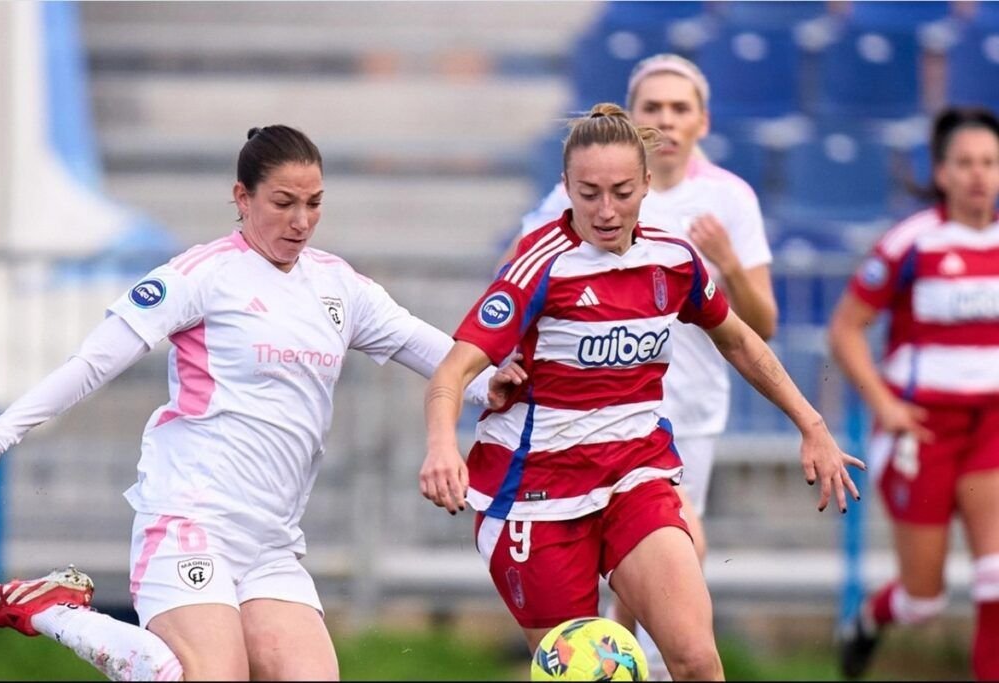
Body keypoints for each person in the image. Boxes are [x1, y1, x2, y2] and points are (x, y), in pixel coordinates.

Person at [0, 124, 514, 681]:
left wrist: (489, 382)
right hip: (191, 518)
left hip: (272, 540)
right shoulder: (203, 276)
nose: (301, 221)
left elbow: (422, 344)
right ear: (242, 197)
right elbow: (93, 363)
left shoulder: (337, 286)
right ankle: (55, 611)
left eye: (314, 204)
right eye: (283, 203)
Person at [421, 103, 862, 682]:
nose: (606, 210)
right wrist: (440, 447)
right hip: (536, 496)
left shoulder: (673, 260)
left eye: (623, 191)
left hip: (636, 476)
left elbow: (740, 341)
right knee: (586, 675)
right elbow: (451, 371)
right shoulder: (538, 271)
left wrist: (812, 424)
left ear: (648, 184)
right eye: (589, 192)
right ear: (565, 188)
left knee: (698, 661)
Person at [498, 52, 778, 679]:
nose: (668, 119)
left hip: (686, 417)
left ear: (702, 120)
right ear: (633, 119)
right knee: (653, 566)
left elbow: (762, 324)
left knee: (670, 566)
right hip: (583, 424)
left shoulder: (728, 198)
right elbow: (519, 291)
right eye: (654, 107)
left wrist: (727, 263)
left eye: (681, 108)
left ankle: (632, 662)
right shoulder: (574, 199)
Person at [830, 106, 999, 681]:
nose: (978, 175)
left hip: (990, 426)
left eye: (989, 163)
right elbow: (845, 327)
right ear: (943, 172)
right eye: (965, 163)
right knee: (923, 601)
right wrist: (884, 404)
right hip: (921, 429)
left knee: (995, 576)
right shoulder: (911, 242)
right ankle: (870, 620)